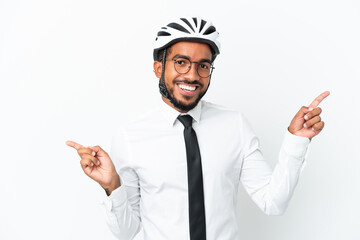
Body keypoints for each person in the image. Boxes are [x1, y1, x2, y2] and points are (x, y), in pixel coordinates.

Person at [66, 17, 330, 240]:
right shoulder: (130, 137)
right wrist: (113, 186)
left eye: (202, 65)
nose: (192, 75)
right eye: (181, 62)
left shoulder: (234, 125)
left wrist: (296, 140)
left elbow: (273, 203)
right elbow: (126, 231)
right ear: (159, 67)